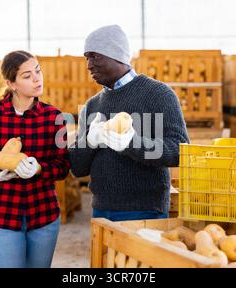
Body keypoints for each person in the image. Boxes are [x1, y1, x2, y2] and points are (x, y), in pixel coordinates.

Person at [69, 25, 189, 222]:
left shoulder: (158, 94)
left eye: (95, 56)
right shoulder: (92, 105)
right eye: (86, 58)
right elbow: (78, 168)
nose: (89, 65)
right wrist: (88, 142)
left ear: (117, 55)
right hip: (101, 211)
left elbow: (179, 150)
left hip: (145, 210)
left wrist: (132, 143)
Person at [0, 50, 70, 268]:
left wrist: (39, 169)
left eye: (38, 71)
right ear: (11, 83)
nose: (37, 78)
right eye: (27, 76)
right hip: (3, 214)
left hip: (43, 214)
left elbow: (62, 166)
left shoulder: (54, 117)